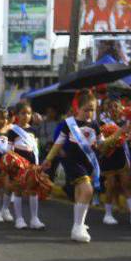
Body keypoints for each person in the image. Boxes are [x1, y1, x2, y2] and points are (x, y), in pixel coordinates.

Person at [42, 89, 100, 243]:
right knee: (87, 190)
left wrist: (119, 133)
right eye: (86, 109)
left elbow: (101, 144)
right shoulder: (69, 124)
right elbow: (58, 142)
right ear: (78, 109)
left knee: (80, 193)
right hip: (72, 161)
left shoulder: (95, 125)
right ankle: (78, 226)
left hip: (88, 162)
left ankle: (78, 226)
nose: (89, 113)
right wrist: (49, 158)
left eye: (92, 110)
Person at [97, 98, 131, 226]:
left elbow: (130, 140)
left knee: (127, 184)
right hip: (108, 157)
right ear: (106, 109)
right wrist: (117, 135)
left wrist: (130, 137)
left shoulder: (125, 122)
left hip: (122, 157)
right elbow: (102, 143)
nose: (114, 109)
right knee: (111, 185)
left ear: (121, 108)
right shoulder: (102, 123)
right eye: (110, 107)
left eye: (116, 107)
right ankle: (107, 214)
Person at [6, 102, 44, 230]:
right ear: (17, 115)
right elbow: (9, 149)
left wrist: (38, 164)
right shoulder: (12, 130)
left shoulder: (34, 130)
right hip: (18, 165)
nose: (26, 116)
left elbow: (36, 148)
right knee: (18, 191)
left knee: (33, 191)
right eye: (23, 113)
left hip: (32, 164)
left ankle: (34, 218)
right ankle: (19, 219)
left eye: (28, 113)